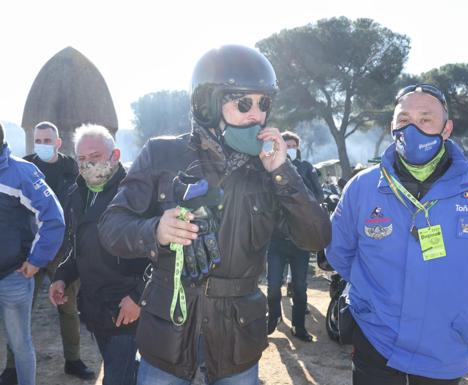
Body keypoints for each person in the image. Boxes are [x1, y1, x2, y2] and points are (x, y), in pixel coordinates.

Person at [98, 45, 331, 385]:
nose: (257, 115)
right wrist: (155, 230)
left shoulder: (272, 171)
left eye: (263, 103)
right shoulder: (162, 153)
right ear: (208, 105)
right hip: (168, 336)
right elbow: (110, 227)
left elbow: (317, 237)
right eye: (243, 103)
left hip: (237, 340)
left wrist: (283, 172)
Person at [326, 84, 468, 385]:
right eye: (403, 119)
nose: (412, 128)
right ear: (391, 125)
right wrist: (372, 302)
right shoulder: (362, 187)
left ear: (447, 129)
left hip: (445, 346)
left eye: (425, 119)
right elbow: (339, 252)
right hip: (376, 339)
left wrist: (463, 304)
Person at [49, 124, 148, 385]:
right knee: (125, 370)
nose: (88, 165)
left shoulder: (136, 195)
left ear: (114, 155)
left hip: (126, 308)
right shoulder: (75, 193)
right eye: (82, 159)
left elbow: (161, 254)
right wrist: (62, 277)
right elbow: (75, 246)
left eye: (95, 157)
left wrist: (138, 297)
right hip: (95, 308)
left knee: (117, 379)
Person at [0, 121, 93, 385]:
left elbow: (79, 204)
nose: (42, 144)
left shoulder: (70, 167)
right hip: (30, 252)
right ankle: (11, 368)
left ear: (57, 142)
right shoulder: (27, 164)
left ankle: (73, 360)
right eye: (38, 140)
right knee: (19, 314)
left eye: (46, 140)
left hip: (62, 248)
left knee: (67, 306)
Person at [0, 122, 65, 385]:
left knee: (19, 343)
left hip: (13, 276)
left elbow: (53, 218)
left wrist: (36, 260)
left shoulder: (22, 173)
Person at [267, 131, 323, 342]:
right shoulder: (270, 169)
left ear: (297, 148)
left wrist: (299, 193)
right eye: (286, 144)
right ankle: (272, 318)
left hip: (301, 239)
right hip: (276, 239)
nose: (289, 148)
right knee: (273, 286)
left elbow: (318, 195)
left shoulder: (306, 168)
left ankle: (299, 327)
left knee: (299, 287)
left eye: (292, 145)